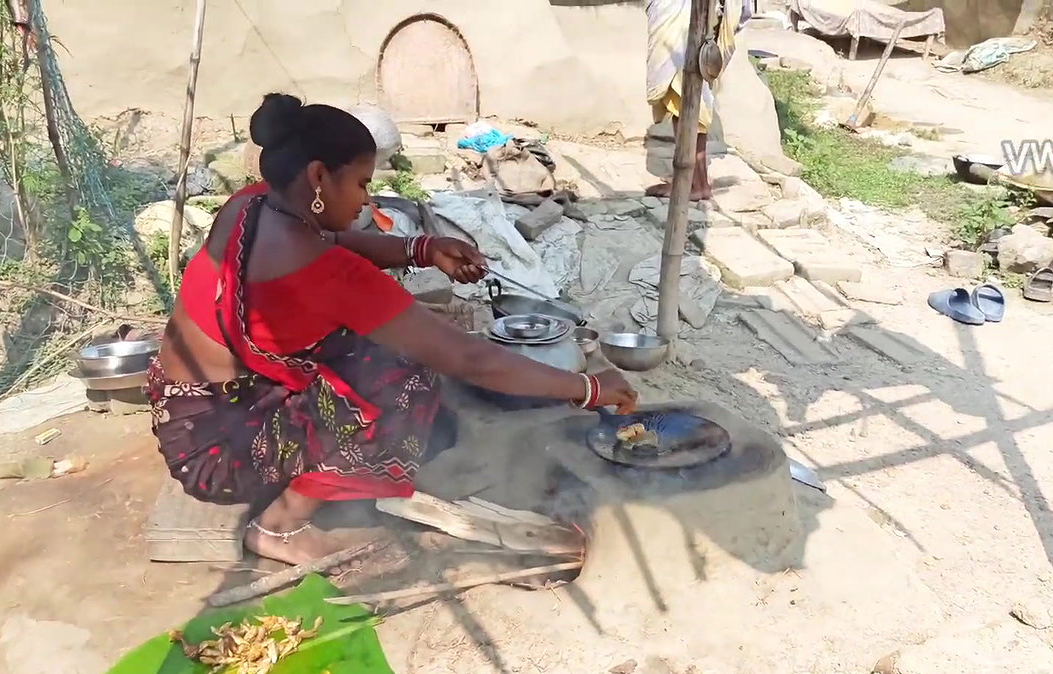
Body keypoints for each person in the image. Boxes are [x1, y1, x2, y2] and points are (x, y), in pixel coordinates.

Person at [149, 93, 638, 567]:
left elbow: (331, 236)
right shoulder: (327, 275)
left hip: (185, 409)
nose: (366, 198)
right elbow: (468, 359)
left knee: (369, 349)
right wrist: (588, 387)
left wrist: (420, 249)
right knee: (403, 381)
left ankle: (313, 478)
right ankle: (282, 525)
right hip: (221, 453)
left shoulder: (251, 206)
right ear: (319, 177)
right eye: (362, 184)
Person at [644, 0, 747, 201]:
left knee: (687, 96)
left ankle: (695, 183)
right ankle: (693, 179)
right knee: (683, 98)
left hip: (687, 15)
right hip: (682, 12)